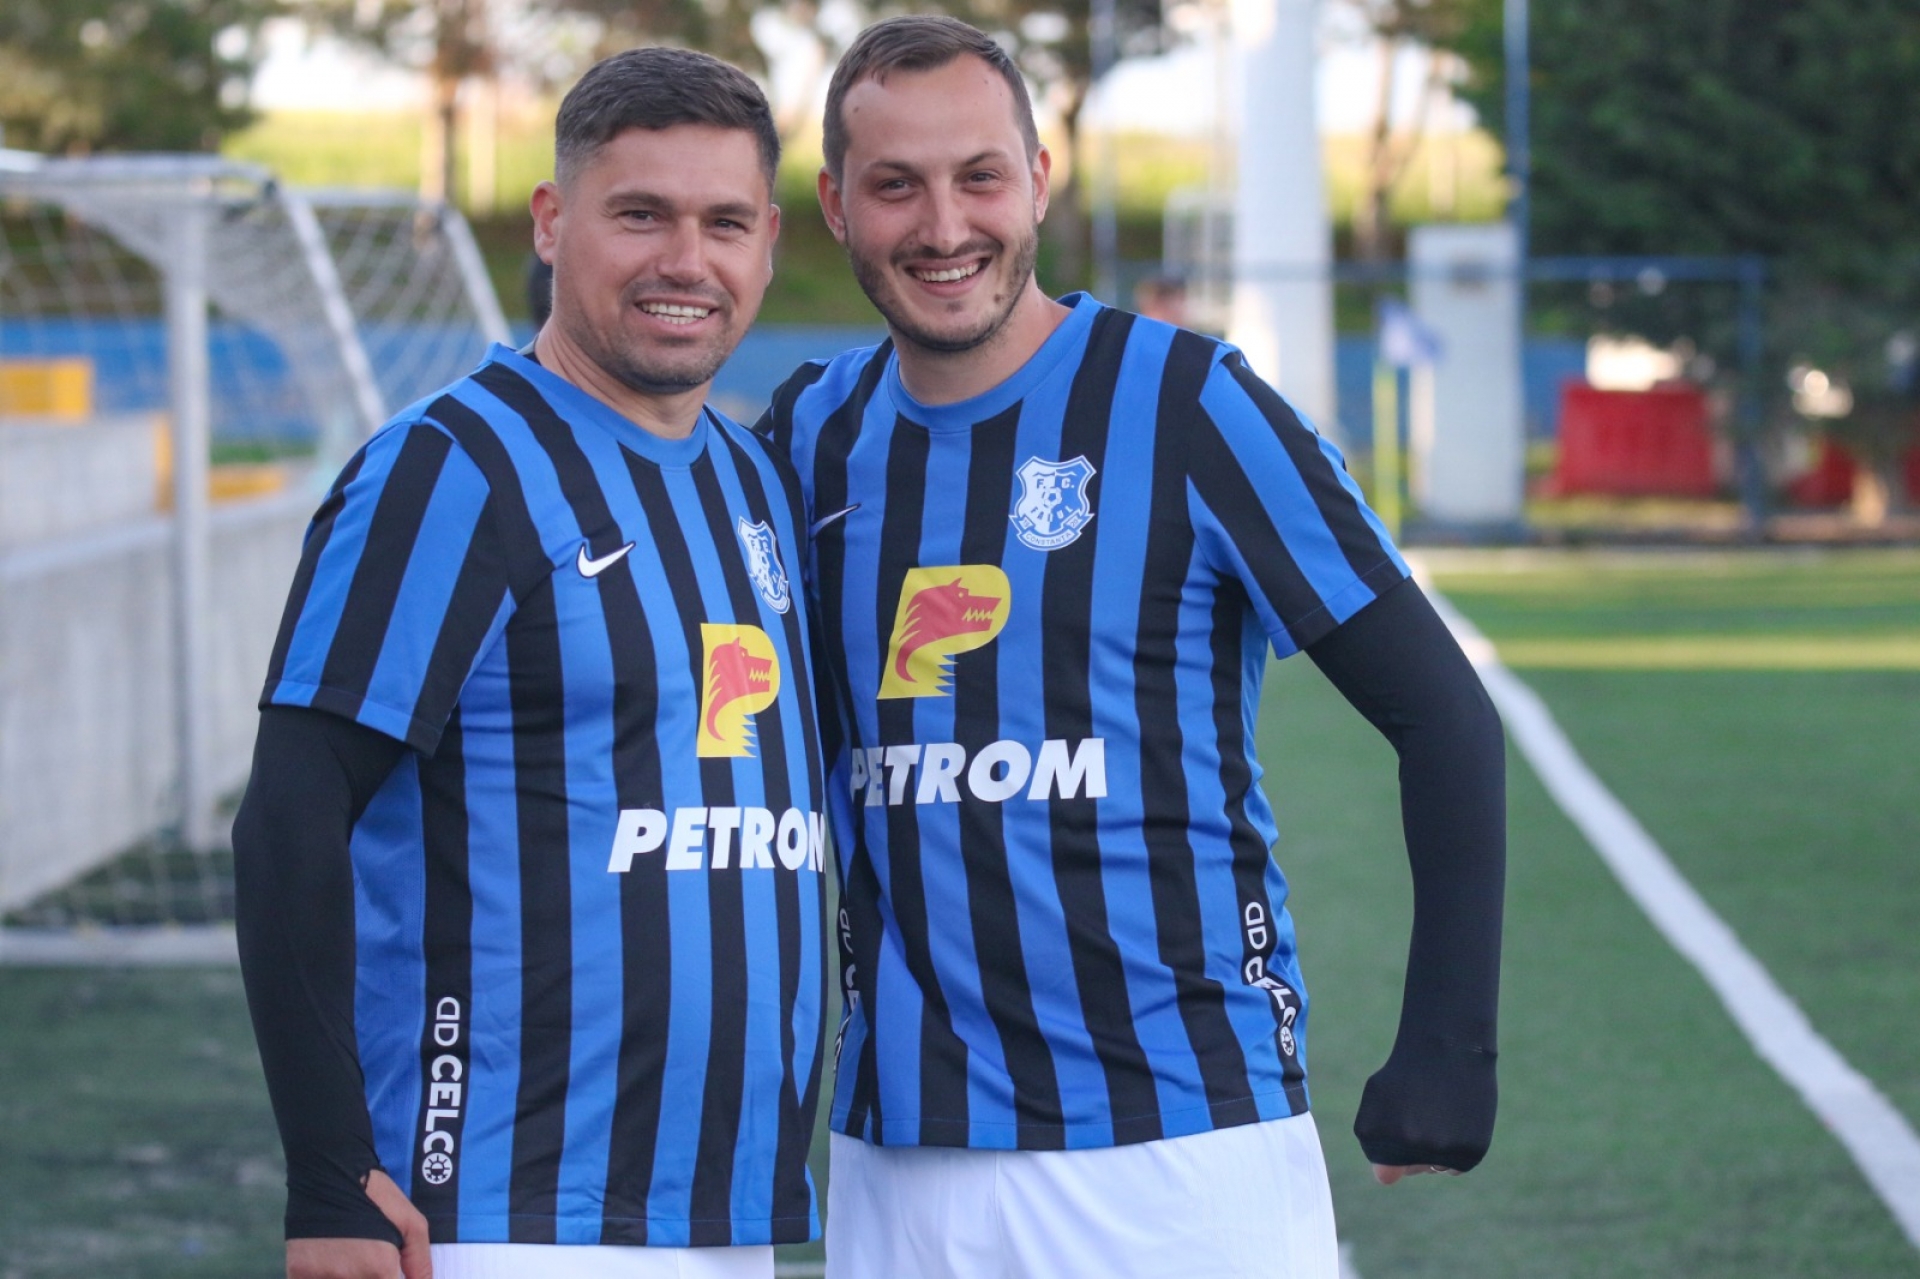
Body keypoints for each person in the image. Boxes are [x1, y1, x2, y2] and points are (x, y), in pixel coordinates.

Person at [758, 16, 1505, 1278]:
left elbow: (1443, 716)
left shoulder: (1190, 402)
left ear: (1039, 180)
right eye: (896, 186)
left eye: (980, 177)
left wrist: (1450, 1044)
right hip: (897, 1157)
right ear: (835, 205)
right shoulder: (807, 436)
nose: (944, 225)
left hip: (1178, 1148)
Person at [234, 47, 827, 1279]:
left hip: (723, 1212)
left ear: (768, 242)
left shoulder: (754, 480)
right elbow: (291, 815)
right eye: (641, 215)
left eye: (724, 222)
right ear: (553, 224)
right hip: (499, 1209)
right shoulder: (452, 467)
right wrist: (329, 1176)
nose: (687, 260)